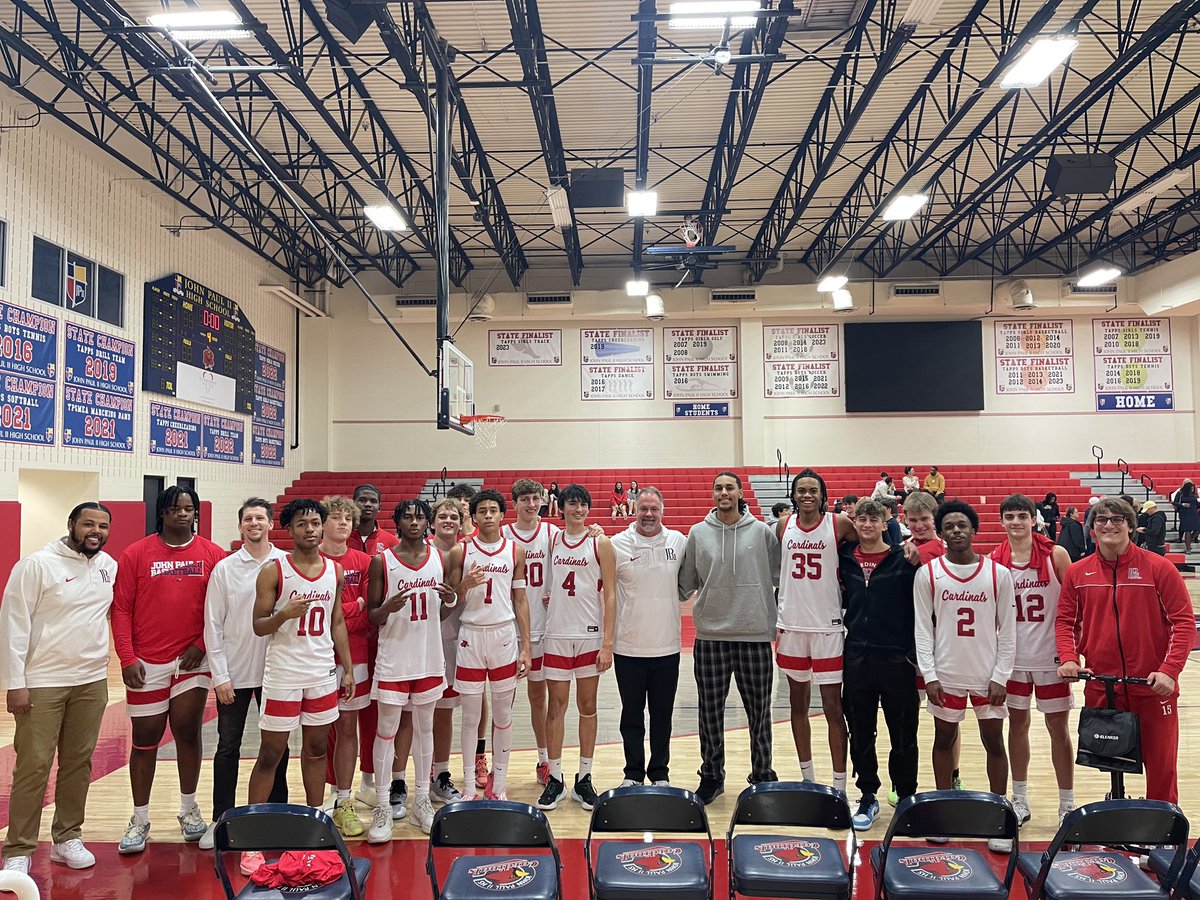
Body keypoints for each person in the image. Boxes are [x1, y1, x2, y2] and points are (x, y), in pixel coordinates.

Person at [1, 503, 116, 877]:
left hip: (91, 681)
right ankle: (18, 848)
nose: (95, 531)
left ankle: (67, 837)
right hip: (42, 683)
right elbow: (13, 625)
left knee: (78, 763)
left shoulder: (107, 566)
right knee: (33, 767)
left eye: (102, 526)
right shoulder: (36, 565)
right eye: (88, 524)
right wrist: (15, 684)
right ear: (71, 525)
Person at [1056, 497, 1195, 804]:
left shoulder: (1159, 568)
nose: (1109, 525)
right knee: (1111, 761)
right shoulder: (1078, 574)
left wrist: (1170, 671)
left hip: (1153, 687)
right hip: (1103, 686)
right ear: (1092, 529)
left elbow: (1183, 624)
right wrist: (1068, 657)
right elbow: (1065, 621)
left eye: (1117, 520)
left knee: (1161, 768)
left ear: (1131, 526)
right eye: (1101, 520)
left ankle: (1161, 830)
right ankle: (1120, 815)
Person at [111, 486, 227, 855]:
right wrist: (127, 658)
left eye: (189, 509)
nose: (182, 514)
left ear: (196, 514)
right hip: (147, 663)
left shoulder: (213, 554)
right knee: (145, 741)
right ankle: (140, 818)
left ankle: (189, 809)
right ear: (162, 512)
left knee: (188, 733)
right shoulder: (136, 554)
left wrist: (202, 645)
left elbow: (222, 611)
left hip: (192, 661)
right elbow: (121, 610)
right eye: (175, 508)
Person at [913, 499, 1016, 853]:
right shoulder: (927, 574)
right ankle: (943, 814)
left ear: (974, 530)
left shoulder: (998, 574)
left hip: (987, 674)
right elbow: (922, 630)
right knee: (944, 740)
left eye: (962, 525)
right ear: (940, 533)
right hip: (947, 673)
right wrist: (929, 674)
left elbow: (1009, 630)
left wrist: (1002, 675)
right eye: (949, 526)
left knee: (994, 742)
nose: (956, 530)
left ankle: (999, 817)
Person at [249, 500, 355, 834]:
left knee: (317, 748)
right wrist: (283, 614)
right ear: (289, 529)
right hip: (284, 672)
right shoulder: (274, 570)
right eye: (301, 524)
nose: (309, 529)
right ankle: (254, 830)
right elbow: (258, 625)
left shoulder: (334, 571)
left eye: (314, 523)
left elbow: (337, 621)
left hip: (321, 671)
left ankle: (317, 820)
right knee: (271, 752)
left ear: (322, 526)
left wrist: (348, 668)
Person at [679, 472, 781, 805]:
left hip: (754, 636)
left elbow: (780, 576)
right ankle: (711, 775)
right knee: (709, 712)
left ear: (739, 492)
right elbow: (685, 584)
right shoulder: (697, 533)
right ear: (713, 494)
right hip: (711, 636)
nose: (724, 492)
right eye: (718, 487)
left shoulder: (762, 533)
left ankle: (763, 774)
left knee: (759, 712)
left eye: (729, 487)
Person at [200, 499, 289, 850]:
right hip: (235, 674)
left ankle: (276, 812)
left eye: (260, 518)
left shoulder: (285, 563)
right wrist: (219, 675)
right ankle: (221, 817)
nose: (254, 523)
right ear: (240, 527)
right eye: (248, 519)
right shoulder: (225, 569)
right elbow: (212, 624)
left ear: (270, 525)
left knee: (276, 747)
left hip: (277, 673)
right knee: (227, 748)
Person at [365, 499, 454, 842]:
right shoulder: (381, 561)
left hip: (428, 656)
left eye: (420, 517)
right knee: (386, 731)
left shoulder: (439, 558)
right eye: (407, 517)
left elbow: (441, 613)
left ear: (427, 522)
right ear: (397, 522)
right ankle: (384, 805)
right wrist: (387, 607)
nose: (414, 522)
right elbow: (373, 616)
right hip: (395, 658)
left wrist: (449, 600)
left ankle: (421, 801)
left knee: (425, 728)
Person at [990, 494, 1075, 827]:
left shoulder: (1056, 555)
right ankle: (1020, 797)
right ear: (1002, 522)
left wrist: (1073, 651)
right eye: (1009, 516)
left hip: (1051, 658)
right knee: (1017, 726)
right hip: (1012, 659)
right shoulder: (995, 561)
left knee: (1058, 730)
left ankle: (1067, 803)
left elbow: (1073, 606)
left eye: (1021, 515)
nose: (1015, 522)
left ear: (1033, 518)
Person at [838, 499, 919, 832]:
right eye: (861, 519)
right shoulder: (843, 559)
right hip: (857, 656)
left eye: (874, 519)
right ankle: (868, 794)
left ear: (886, 522)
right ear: (855, 523)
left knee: (903, 734)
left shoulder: (904, 560)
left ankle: (904, 797)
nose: (867, 524)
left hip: (897, 658)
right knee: (860, 732)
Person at [447, 490, 532, 802]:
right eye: (481, 510)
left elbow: (520, 600)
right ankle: (470, 787)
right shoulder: (461, 551)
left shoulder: (515, 551)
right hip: (470, 634)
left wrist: (526, 647)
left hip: (503, 635)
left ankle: (499, 785)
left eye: (493, 510)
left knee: (502, 716)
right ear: (474, 517)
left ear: (501, 515)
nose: (487, 515)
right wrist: (464, 585)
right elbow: (449, 600)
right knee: (470, 717)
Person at [538, 484, 616, 811]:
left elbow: (610, 594)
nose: (578, 510)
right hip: (556, 632)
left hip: (589, 635)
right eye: (572, 504)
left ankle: (584, 778)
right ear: (562, 507)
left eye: (583, 505)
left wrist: (608, 643)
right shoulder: (552, 538)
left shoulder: (601, 542)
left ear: (588, 509)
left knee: (587, 705)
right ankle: (555, 778)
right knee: (555, 707)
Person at [776, 468, 855, 793]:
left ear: (823, 495)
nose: (807, 495)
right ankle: (808, 779)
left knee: (833, 708)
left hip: (827, 626)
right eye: (801, 490)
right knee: (798, 705)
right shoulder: (784, 525)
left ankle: (839, 786)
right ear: (794, 495)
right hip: (791, 625)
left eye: (813, 491)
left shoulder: (839, 524)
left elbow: (871, 546)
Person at [611, 486, 687, 787]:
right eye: (643, 508)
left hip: (667, 646)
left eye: (654, 509)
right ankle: (632, 773)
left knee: (662, 716)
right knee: (631, 717)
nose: (648, 514)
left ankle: (659, 773)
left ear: (662, 511)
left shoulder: (678, 541)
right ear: (634, 510)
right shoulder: (616, 544)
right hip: (627, 646)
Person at [319, 496, 376, 838]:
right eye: (336, 518)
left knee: (349, 728)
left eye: (347, 519)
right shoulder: (313, 560)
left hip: (356, 655)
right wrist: (347, 607)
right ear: (322, 523)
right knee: (319, 730)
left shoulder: (364, 562)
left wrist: (342, 611)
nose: (343, 524)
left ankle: (344, 798)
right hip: (318, 655)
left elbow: (367, 612)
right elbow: (319, 615)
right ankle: (327, 794)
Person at [502, 479, 561, 787]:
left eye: (535, 498)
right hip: (509, 629)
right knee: (504, 701)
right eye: (524, 498)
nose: (530, 503)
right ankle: (496, 766)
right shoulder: (503, 535)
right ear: (514, 503)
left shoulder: (552, 534)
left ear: (542, 500)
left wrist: (596, 530)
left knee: (542, 697)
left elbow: (580, 545)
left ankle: (544, 759)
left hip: (546, 627)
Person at [426, 499, 466, 806]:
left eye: (454, 516)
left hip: (454, 638)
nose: (448, 520)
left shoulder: (469, 552)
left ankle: (440, 774)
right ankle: (405, 778)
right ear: (433, 521)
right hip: (420, 639)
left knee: (444, 712)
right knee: (412, 716)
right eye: (443, 516)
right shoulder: (421, 551)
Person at [349, 484, 400, 556]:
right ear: (352, 505)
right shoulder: (341, 539)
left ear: (379, 508)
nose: (368, 504)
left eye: (373, 501)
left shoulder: (392, 543)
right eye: (362, 500)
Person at [1172, 480, 1199, 552]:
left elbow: (1197, 504)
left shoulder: (1193, 495)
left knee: (1197, 530)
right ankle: (1188, 548)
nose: (1193, 490)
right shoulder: (1180, 494)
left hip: (1194, 514)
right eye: (1191, 488)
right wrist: (1182, 505)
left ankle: (1189, 540)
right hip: (1185, 514)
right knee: (1188, 530)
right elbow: (1174, 502)